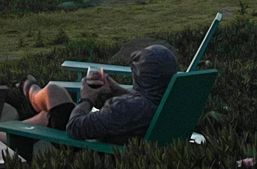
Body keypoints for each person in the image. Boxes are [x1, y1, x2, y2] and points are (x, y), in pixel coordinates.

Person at [12, 42, 178, 143]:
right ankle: (2, 134)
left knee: (52, 92)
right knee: (48, 116)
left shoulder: (124, 108)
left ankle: (27, 87)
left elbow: (74, 128)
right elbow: (140, 103)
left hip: (88, 147)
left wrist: (86, 99)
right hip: (115, 132)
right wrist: (115, 89)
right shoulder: (170, 99)